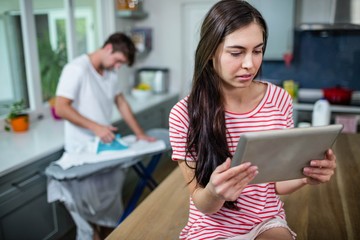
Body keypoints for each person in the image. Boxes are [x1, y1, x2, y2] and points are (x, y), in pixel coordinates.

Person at [168, 1, 337, 239]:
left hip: (265, 221)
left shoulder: (278, 100)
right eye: (236, 52)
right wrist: (216, 192)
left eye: (257, 51)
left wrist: (306, 175)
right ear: (209, 52)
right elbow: (203, 204)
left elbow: (276, 185)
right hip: (210, 228)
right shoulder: (184, 114)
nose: (250, 64)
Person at [55, 32, 155, 240]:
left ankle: (106, 233)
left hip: (104, 147)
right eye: (118, 61)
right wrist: (96, 128)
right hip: (83, 149)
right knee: (88, 208)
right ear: (108, 48)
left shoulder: (110, 73)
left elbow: (121, 102)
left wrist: (140, 133)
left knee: (108, 205)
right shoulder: (76, 69)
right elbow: (61, 108)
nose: (118, 66)